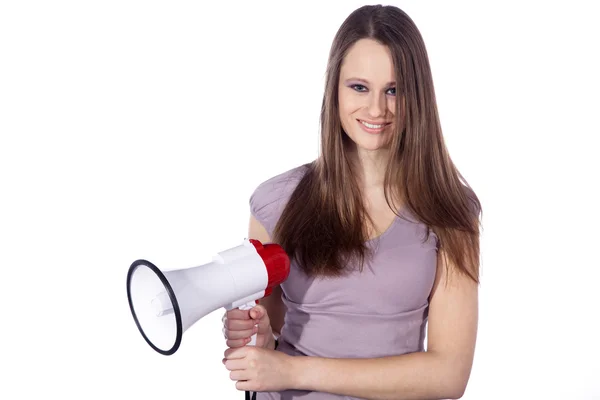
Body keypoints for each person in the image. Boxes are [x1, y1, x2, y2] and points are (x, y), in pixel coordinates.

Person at [222, 4, 482, 400]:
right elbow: (275, 326)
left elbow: (449, 375)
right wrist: (257, 334)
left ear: (419, 95)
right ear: (335, 90)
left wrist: (292, 369)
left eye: (394, 90)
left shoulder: (449, 210)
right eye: (359, 87)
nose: (376, 109)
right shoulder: (277, 202)